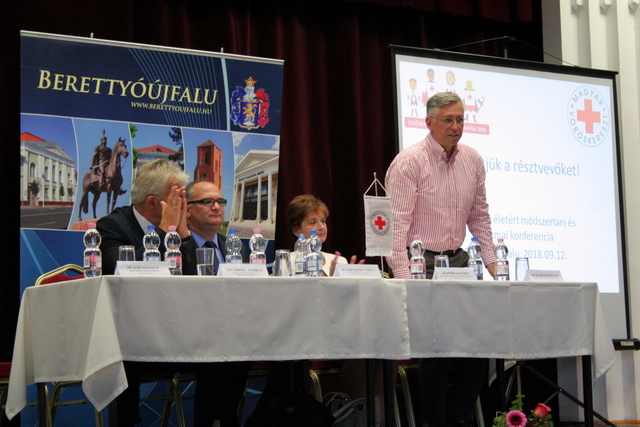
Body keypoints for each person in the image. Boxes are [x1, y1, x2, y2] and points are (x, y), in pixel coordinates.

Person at [96, 160, 249, 427]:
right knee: (120, 360)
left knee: (230, 348)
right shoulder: (113, 225)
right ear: (153, 202)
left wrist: (183, 237)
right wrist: (163, 232)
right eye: (178, 197)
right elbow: (120, 273)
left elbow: (195, 284)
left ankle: (216, 422)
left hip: (180, 331)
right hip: (133, 335)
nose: (184, 203)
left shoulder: (180, 230)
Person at [385, 92, 497, 427]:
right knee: (436, 351)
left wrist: (494, 266)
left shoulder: (472, 159)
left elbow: (479, 216)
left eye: (460, 119)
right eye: (448, 120)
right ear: (429, 122)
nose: (456, 126)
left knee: (476, 345)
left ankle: (462, 420)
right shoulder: (409, 162)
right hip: (422, 263)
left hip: (459, 262)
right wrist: (405, 282)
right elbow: (395, 228)